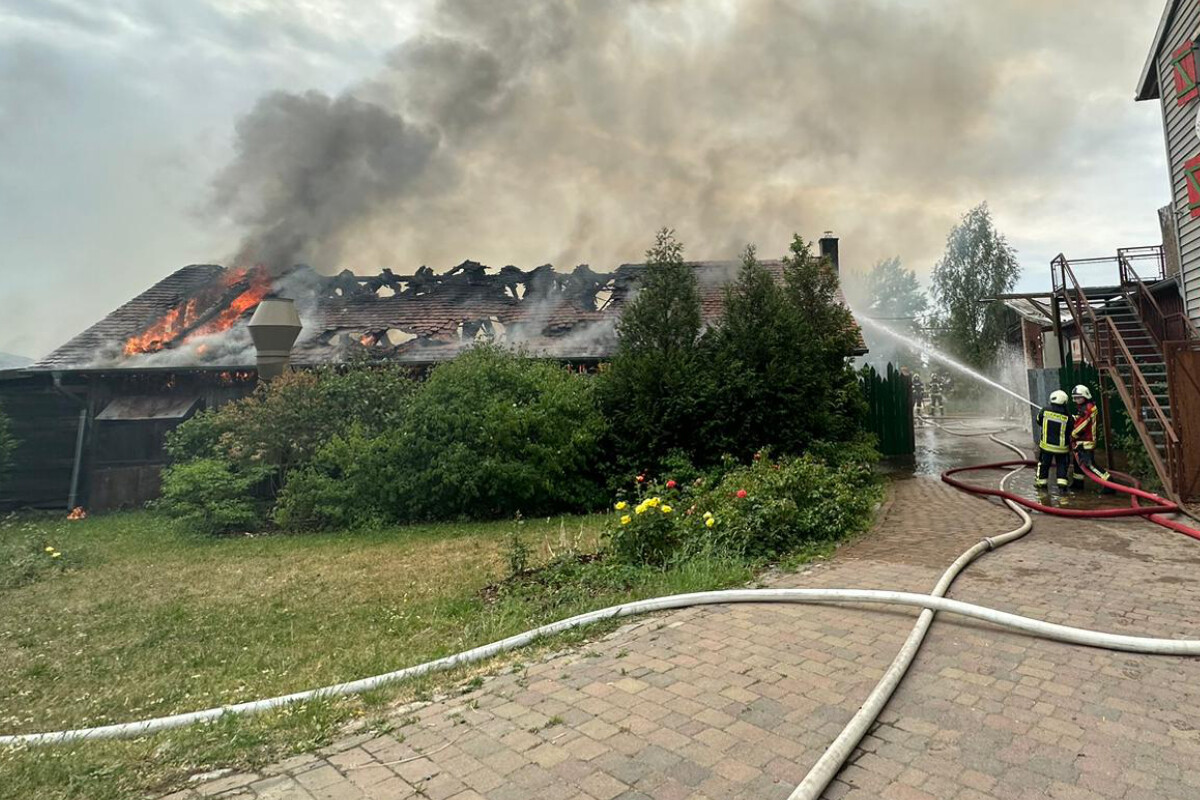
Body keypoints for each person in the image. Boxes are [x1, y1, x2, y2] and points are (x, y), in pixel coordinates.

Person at [1070, 384, 1115, 492]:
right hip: (1083, 441)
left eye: (1078, 398)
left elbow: (1082, 425)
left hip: (1085, 442)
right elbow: (1083, 420)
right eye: (1075, 398)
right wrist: (1074, 418)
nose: (1076, 400)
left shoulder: (1087, 409)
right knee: (1077, 464)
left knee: (1089, 465)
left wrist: (1072, 436)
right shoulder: (1086, 407)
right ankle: (1078, 484)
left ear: (1085, 396)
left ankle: (1109, 482)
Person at [1036, 389, 1072, 493]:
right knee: (1062, 466)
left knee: (1044, 465)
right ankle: (1062, 487)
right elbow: (1071, 429)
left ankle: (1041, 485)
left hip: (1046, 447)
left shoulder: (1045, 410)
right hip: (1062, 449)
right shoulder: (1068, 416)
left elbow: (1038, 421)